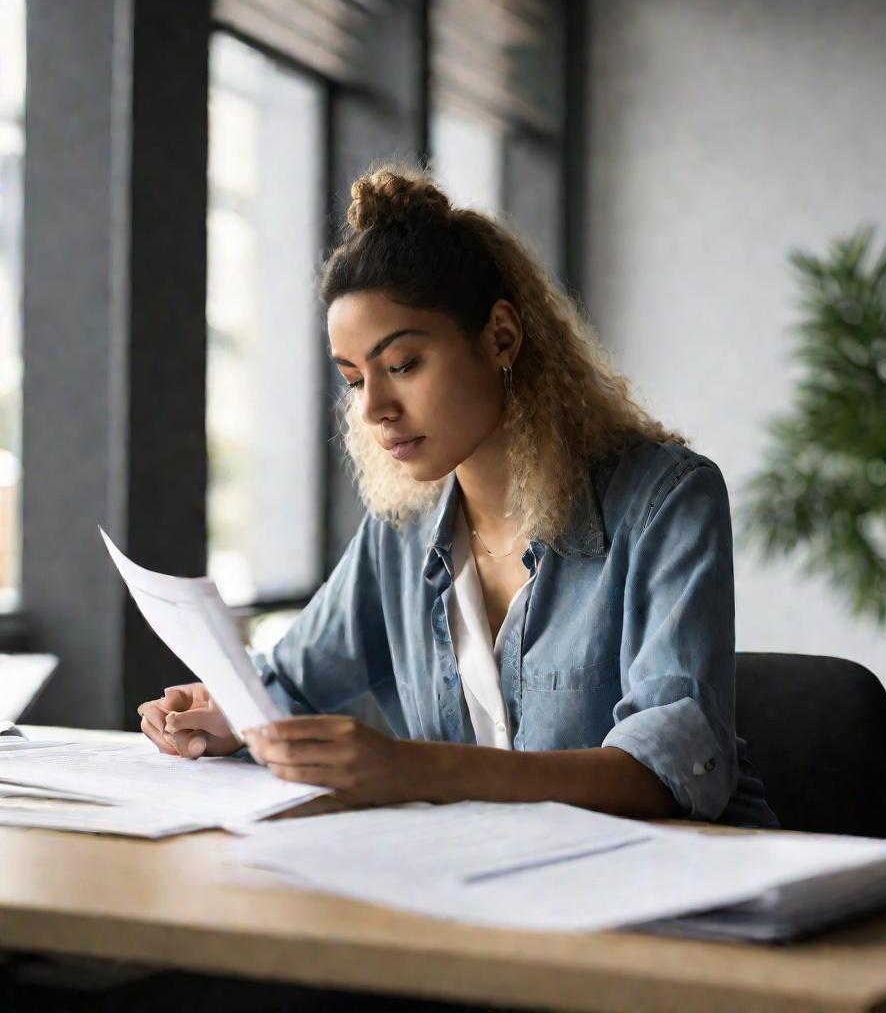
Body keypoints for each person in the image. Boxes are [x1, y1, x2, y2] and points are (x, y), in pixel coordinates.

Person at [138, 161, 779, 828]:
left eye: (402, 365)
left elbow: (664, 774)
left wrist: (412, 768)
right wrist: (226, 714)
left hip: (677, 893)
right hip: (488, 885)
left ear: (500, 336)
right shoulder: (404, 530)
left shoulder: (666, 499)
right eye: (355, 379)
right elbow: (292, 683)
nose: (375, 408)